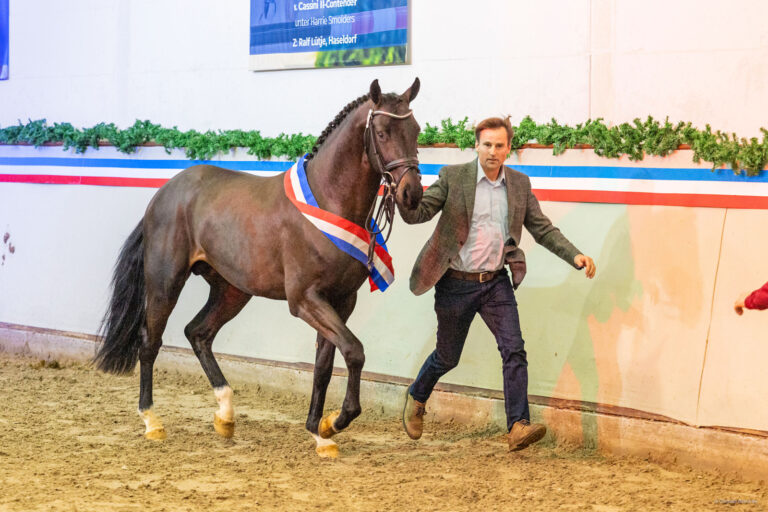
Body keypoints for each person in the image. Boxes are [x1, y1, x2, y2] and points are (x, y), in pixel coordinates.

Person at [398, 116, 596, 452]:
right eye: (487, 144)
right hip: (455, 283)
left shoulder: (519, 184)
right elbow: (419, 213)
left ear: (508, 149)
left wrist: (575, 255)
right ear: (476, 145)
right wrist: (403, 195)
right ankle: (417, 395)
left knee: (514, 348)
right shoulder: (453, 177)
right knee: (447, 357)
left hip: (495, 283)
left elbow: (542, 228)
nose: (492, 151)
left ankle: (517, 425)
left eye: (499, 145)